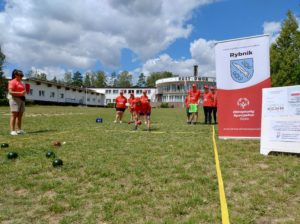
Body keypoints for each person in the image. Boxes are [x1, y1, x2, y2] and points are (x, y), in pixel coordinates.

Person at [8, 69, 26, 136]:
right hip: (14, 99)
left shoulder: (22, 82)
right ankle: (12, 130)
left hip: (22, 99)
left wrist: (24, 93)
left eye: (22, 75)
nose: (22, 76)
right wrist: (20, 93)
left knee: (20, 115)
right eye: (20, 75)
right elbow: (10, 92)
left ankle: (19, 130)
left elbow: (24, 90)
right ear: (16, 75)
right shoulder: (12, 82)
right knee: (14, 115)